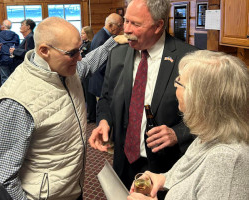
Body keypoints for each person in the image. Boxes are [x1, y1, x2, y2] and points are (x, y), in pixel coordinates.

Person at [0, 17, 127, 200]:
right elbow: (5, 176)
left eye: (80, 49)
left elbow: (88, 63)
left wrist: (111, 43)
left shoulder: (65, 69)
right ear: (44, 51)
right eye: (73, 52)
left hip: (72, 187)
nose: (79, 57)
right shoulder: (16, 100)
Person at [89, 0, 198, 198]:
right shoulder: (118, 54)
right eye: (126, 21)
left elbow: (210, 116)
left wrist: (177, 134)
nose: (127, 30)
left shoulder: (189, 58)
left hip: (164, 169)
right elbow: (105, 98)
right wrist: (104, 120)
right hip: (124, 161)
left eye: (135, 24)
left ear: (158, 26)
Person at [127, 50, 249, 200]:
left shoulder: (227, 160)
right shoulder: (209, 134)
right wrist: (163, 178)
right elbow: (186, 173)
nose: (175, 87)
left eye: (179, 82)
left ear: (199, 98)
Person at [88, 13, 124, 99]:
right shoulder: (102, 39)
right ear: (110, 25)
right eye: (119, 26)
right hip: (100, 84)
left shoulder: (103, 34)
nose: (121, 28)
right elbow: (100, 66)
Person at [80, 26, 97, 123]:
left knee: (90, 95)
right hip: (84, 71)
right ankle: (89, 113)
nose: (81, 35)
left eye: (83, 33)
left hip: (89, 72)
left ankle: (92, 116)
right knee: (86, 94)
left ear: (88, 34)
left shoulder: (90, 44)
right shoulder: (84, 44)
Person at [0, 19, 20, 86]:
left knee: (4, 78)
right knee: (13, 78)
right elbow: (18, 47)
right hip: (13, 58)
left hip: (2, 58)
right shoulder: (15, 35)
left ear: (3, 26)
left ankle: (5, 95)